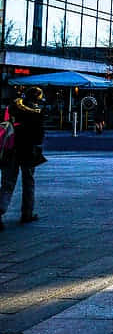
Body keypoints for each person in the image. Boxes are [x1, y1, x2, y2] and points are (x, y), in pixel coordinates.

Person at [0, 87, 46, 229]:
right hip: (28, 151)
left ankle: (0, 212)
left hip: (10, 149)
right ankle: (27, 213)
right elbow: (39, 137)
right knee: (28, 182)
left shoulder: (12, 108)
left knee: (7, 184)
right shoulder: (37, 112)